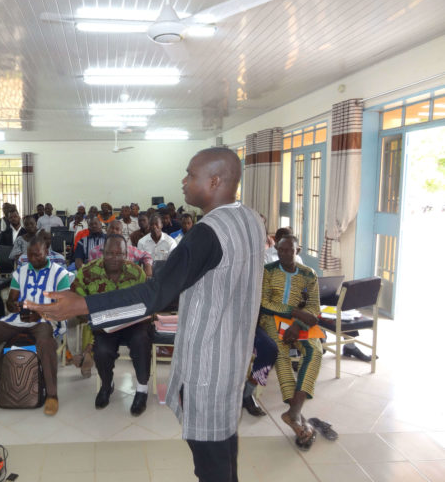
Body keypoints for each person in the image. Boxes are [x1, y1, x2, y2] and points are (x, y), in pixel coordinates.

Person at [26, 147, 264, 482]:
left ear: (214, 181)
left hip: (209, 363)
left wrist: (82, 305)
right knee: (224, 449)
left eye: (190, 175)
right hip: (234, 355)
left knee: (211, 463)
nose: (183, 181)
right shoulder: (250, 219)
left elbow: (154, 293)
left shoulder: (207, 233)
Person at [0, 236, 71, 416]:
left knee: (46, 343)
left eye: (38, 255)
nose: (33, 259)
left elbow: (63, 306)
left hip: (46, 319)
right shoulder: (20, 272)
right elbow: (11, 299)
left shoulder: (60, 274)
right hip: (19, 318)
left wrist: (39, 312)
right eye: (30, 255)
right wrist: (12, 306)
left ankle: (52, 395)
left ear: (46, 252)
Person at [72, 234, 153, 415]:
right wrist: (89, 317)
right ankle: (107, 385)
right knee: (102, 350)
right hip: (105, 325)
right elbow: (75, 300)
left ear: (126, 255)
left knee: (141, 340)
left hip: (132, 324)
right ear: (103, 252)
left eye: (119, 254)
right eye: (110, 253)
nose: (114, 258)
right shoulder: (87, 273)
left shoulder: (136, 273)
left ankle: (142, 389)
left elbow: (146, 303)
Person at [259, 234, 322, 450]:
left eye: (289, 251)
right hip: (272, 319)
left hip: (300, 322)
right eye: (281, 250)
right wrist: (294, 312)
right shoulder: (268, 271)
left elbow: (313, 307)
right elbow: (264, 303)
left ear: (298, 251)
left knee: (315, 351)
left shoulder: (308, 274)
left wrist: (298, 324)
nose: (284, 254)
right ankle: (296, 415)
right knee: (281, 354)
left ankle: (294, 412)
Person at [88, 220, 153, 277]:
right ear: (106, 230)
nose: (114, 231)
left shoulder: (129, 249)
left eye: (117, 229)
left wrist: (148, 267)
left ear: (121, 233)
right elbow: (90, 271)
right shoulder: (94, 251)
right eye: (111, 228)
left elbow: (146, 255)